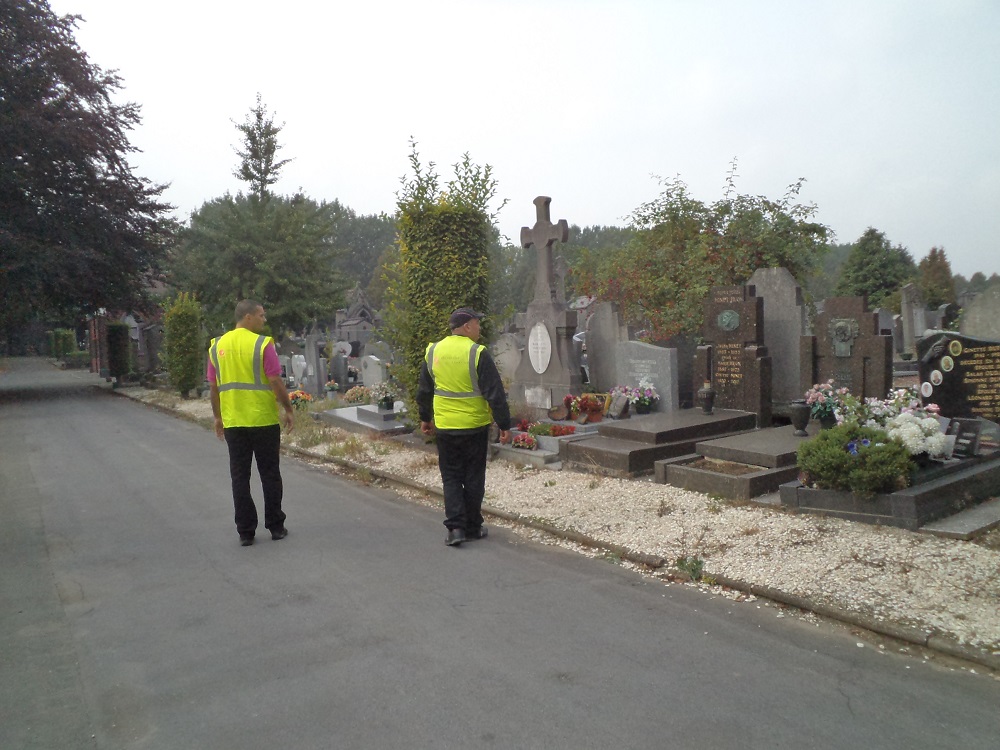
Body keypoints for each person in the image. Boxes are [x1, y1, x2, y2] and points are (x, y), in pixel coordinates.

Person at [417, 307, 512, 546]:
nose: (479, 328)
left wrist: (425, 417)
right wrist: (504, 424)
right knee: (473, 476)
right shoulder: (477, 353)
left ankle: (455, 529)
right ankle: (472, 527)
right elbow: (495, 393)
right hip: (474, 426)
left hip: (446, 426)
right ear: (467, 326)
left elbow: (425, 390)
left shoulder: (433, 351)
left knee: (450, 476)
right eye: (477, 323)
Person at [207, 300, 294, 546]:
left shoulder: (216, 347)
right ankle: (276, 526)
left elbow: (214, 387)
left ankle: (245, 531)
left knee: (239, 477)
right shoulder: (262, 344)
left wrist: (217, 417)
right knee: (269, 474)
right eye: (261, 315)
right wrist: (288, 409)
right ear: (247, 317)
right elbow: (275, 381)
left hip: (234, 422)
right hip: (262, 420)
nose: (263, 320)